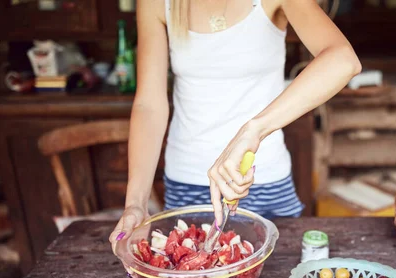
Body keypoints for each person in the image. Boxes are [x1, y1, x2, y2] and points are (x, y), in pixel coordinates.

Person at [109, 0, 361, 252]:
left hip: (266, 181)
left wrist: (254, 129)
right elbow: (149, 105)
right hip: (186, 184)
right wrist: (136, 202)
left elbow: (343, 60)